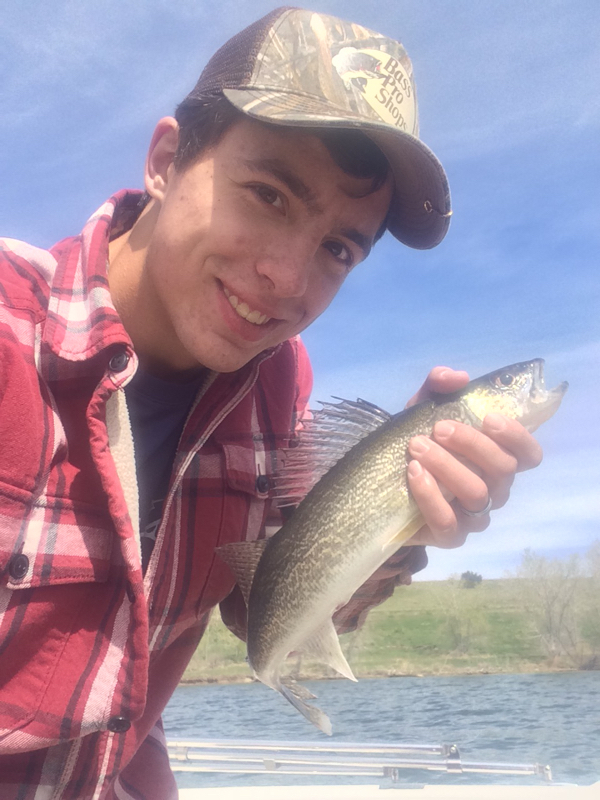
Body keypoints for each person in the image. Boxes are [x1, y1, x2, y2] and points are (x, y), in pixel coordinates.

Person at [0, 8, 543, 799]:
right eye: (268, 195)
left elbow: (259, 617)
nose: (289, 281)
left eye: (338, 249)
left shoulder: (280, 389)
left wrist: (389, 520)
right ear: (164, 160)